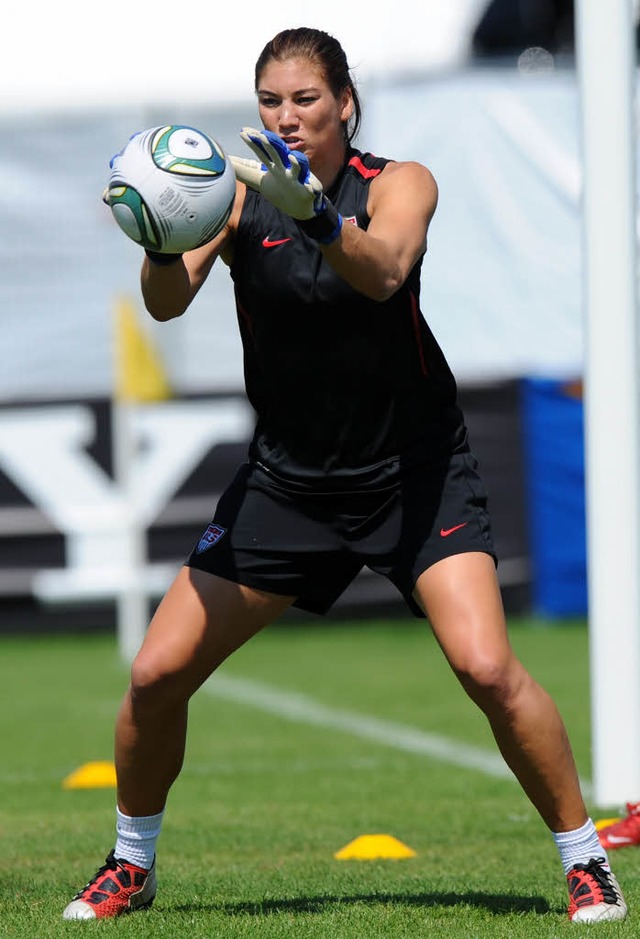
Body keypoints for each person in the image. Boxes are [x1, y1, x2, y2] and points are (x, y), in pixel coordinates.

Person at [63, 26, 626, 925]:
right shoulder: (240, 198)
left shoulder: (399, 183)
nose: (286, 117)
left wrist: (320, 216)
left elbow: (384, 270)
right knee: (156, 674)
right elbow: (166, 303)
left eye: (306, 100)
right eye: (271, 102)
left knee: (487, 667)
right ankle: (131, 864)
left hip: (415, 474)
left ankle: (585, 857)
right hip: (288, 483)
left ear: (345, 105)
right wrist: (160, 226)